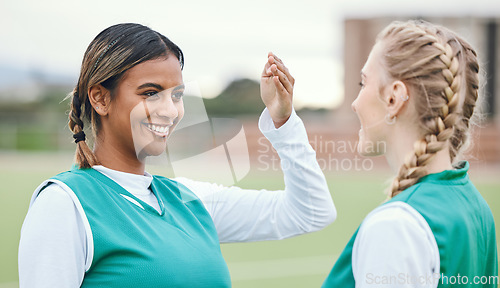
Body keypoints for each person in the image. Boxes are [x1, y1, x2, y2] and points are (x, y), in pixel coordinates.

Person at [18, 23, 336, 287]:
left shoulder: (188, 199)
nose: (170, 111)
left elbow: (310, 212)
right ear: (100, 98)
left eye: (178, 95)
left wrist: (283, 121)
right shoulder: (64, 204)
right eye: (151, 92)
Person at [322, 20, 497, 288]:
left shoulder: (395, 226)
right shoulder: (477, 208)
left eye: (362, 82)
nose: (355, 103)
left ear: (394, 98)